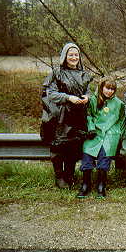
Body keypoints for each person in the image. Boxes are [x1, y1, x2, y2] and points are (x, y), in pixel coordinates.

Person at [42, 42, 92, 189]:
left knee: (74, 146)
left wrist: (87, 98)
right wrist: (68, 97)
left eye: (76, 55)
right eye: (71, 54)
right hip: (60, 118)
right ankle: (59, 176)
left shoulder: (84, 75)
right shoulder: (56, 73)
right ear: (65, 56)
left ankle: (70, 174)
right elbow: (50, 94)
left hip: (77, 116)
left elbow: (89, 91)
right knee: (58, 147)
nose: (74, 57)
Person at [77, 77, 126, 198]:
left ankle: (101, 185)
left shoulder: (119, 104)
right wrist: (91, 128)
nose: (109, 91)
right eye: (107, 88)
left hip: (110, 134)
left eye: (112, 89)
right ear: (101, 87)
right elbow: (89, 116)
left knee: (104, 156)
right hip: (95, 133)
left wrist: (117, 132)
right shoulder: (93, 100)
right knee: (87, 153)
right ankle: (85, 184)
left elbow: (122, 120)